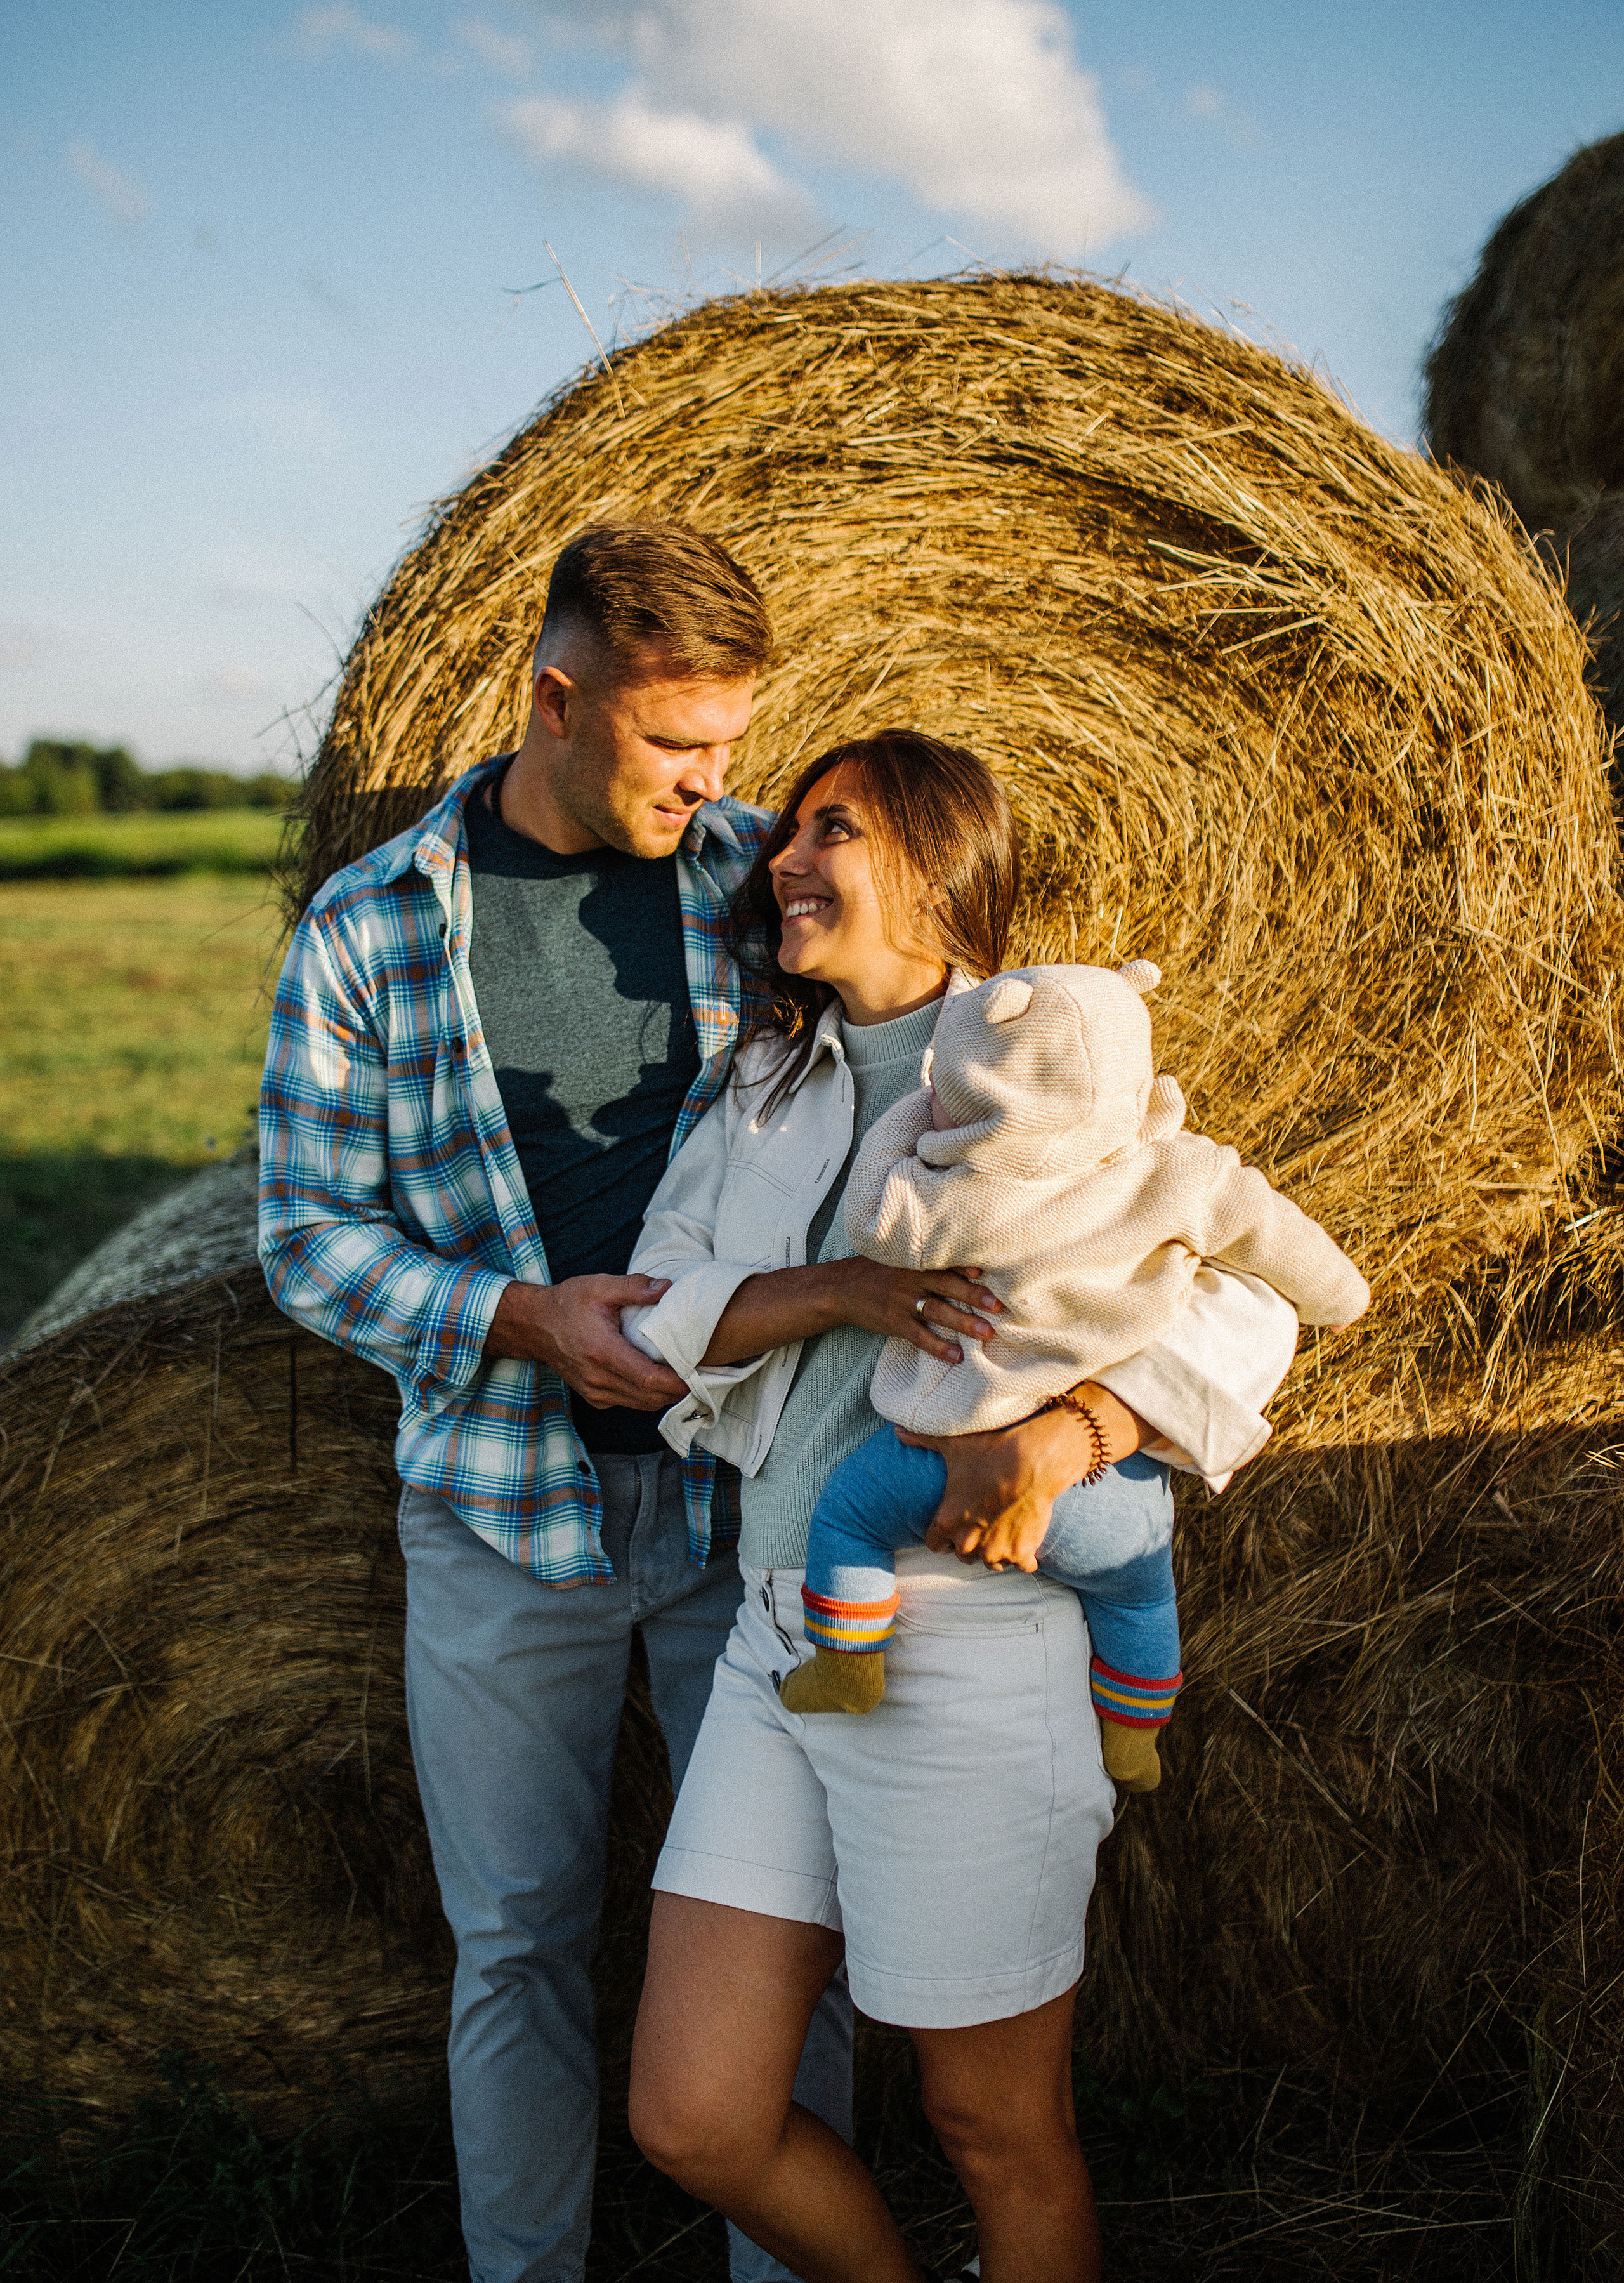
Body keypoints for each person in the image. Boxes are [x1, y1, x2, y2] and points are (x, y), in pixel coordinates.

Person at [258, 530, 1221, 2283]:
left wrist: (1073, 1419)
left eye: (739, 752)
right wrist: (518, 1322)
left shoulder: (740, 887)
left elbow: (999, 1096)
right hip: (502, 1503)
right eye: (680, 746)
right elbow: (307, 1238)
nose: (732, 795)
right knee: (519, 1943)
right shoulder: (375, 926)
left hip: (744, 1531)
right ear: (560, 697)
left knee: (813, 1959)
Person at [622, 732, 1302, 2283]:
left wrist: (1079, 1428)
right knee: (696, 2115)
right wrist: (834, 1290)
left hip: (970, 1652)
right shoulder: (762, 1081)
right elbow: (660, 1305)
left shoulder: (1053, 1053)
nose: (785, 860)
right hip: (782, 1634)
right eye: (789, 830)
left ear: (936, 867)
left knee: (993, 2127)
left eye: (832, 832)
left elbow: (1251, 1287)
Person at [778, 956, 1370, 1791]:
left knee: (846, 1519)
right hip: (1106, 1487)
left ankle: (848, 1662)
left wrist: (922, 1109)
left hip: (932, 1456)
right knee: (1137, 1596)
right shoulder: (1180, 1173)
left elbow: (874, 1208)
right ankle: (1134, 1733)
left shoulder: (957, 1196)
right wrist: (1341, 1297)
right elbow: (1289, 1248)